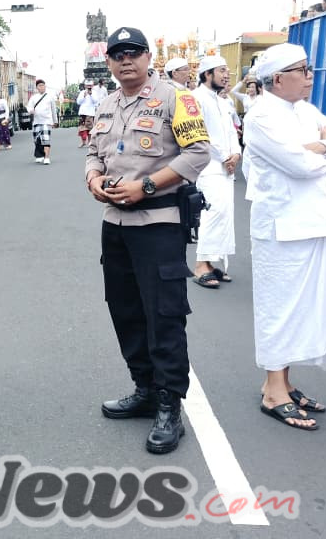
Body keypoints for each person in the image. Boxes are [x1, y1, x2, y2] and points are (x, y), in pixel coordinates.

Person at [85, 27, 211, 454]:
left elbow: (198, 153)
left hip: (158, 223)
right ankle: (144, 388)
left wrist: (148, 187)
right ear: (110, 62)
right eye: (118, 54)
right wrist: (93, 178)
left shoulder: (177, 98)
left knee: (165, 315)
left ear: (148, 57)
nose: (126, 60)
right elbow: (93, 153)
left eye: (134, 52)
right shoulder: (105, 104)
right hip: (115, 226)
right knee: (125, 311)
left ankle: (169, 405)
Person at [243, 43, 326, 430]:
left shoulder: (306, 110)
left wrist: (320, 146)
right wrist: (324, 151)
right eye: (302, 69)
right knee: (279, 308)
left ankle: (283, 383)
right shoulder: (261, 116)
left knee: (306, 307)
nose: (310, 75)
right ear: (278, 79)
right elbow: (300, 166)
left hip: (315, 223)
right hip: (282, 228)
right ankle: (273, 391)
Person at [190, 55, 242, 288]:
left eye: (226, 70)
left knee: (225, 215)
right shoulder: (195, 99)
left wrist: (236, 154)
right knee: (212, 213)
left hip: (225, 166)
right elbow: (199, 135)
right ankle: (201, 265)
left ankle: (211, 263)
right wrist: (224, 158)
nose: (226, 74)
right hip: (208, 166)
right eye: (221, 70)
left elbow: (232, 133)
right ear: (207, 74)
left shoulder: (223, 101)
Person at [29, 78, 56, 165]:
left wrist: (55, 121)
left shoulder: (50, 97)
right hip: (37, 121)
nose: (42, 87)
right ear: (37, 87)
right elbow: (29, 107)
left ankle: (47, 157)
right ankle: (40, 155)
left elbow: (53, 110)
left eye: (43, 85)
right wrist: (31, 110)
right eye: (40, 86)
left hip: (46, 121)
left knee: (46, 139)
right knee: (37, 140)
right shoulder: (34, 97)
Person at [77, 81, 98, 146]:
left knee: (90, 128)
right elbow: (78, 102)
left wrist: (91, 95)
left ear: (92, 86)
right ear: (85, 86)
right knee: (82, 128)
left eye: (90, 85)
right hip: (82, 112)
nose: (89, 87)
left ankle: (89, 142)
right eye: (87, 85)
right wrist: (84, 96)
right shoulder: (82, 92)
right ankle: (83, 142)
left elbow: (95, 101)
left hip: (90, 113)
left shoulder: (94, 93)